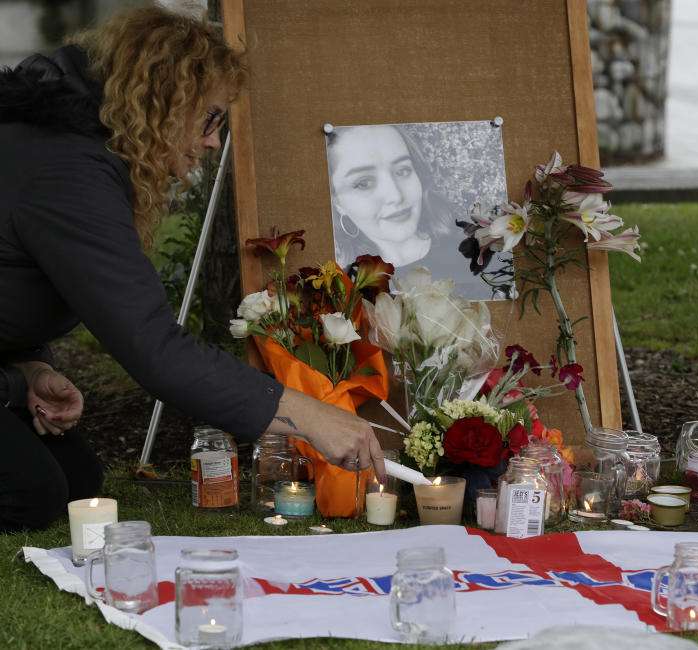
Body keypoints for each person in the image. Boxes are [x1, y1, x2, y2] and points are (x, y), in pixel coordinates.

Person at [0, 6, 384, 532]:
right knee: (31, 496)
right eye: (210, 118)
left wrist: (28, 368)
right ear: (161, 100)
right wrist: (310, 414)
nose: (212, 141)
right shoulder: (68, 172)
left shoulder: (72, 148)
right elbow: (152, 347)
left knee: (75, 480)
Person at [328, 124, 494, 294]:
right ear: (338, 203)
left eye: (402, 171)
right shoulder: (340, 291)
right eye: (364, 183)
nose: (395, 196)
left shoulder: (480, 255)